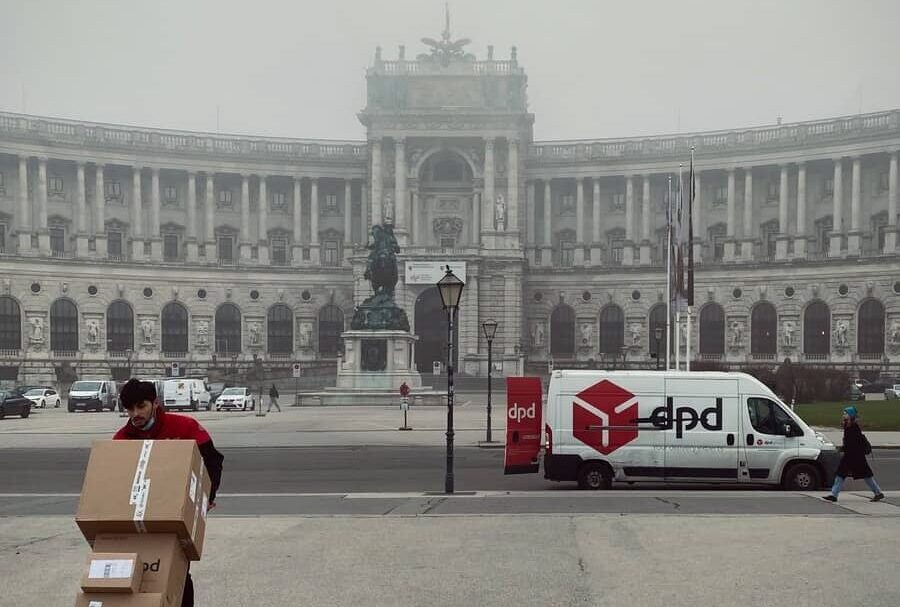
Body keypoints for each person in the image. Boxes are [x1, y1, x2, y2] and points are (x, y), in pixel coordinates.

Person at [115, 379, 225, 607]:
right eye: (129, 408)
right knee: (140, 572)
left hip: (175, 514)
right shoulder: (121, 439)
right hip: (137, 518)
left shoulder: (185, 427)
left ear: (155, 403)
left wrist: (208, 496)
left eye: (141, 406)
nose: (135, 414)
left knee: (178, 571)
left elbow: (213, 461)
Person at [823, 406, 884, 503]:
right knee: (840, 475)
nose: (843, 415)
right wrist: (844, 448)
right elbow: (849, 442)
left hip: (856, 457)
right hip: (850, 456)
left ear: (850, 415)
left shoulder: (854, 427)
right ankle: (834, 495)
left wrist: (844, 448)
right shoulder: (848, 426)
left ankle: (878, 492)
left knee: (866, 475)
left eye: (845, 413)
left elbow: (855, 442)